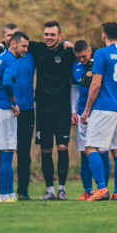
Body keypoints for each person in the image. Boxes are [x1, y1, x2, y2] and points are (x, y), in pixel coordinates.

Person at [80, 22, 117, 201]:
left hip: (104, 107)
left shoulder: (101, 54)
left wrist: (87, 110)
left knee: (90, 147)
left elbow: (96, 84)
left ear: (103, 35)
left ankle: (102, 189)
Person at [0, 23, 36, 201]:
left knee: (2, 151)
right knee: (6, 153)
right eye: (24, 46)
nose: (27, 49)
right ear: (13, 43)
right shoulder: (11, 60)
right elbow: (6, 82)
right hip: (4, 110)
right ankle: (4, 195)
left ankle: (10, 192)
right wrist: (13, 103)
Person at [29, 20, 76, 200]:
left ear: (60, 36)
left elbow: (89, 51)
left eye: (52, 35)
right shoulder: (37, 49)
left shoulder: (68, 52)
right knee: (45, 149)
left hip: (62, 107)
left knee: (62, 146)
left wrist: (71, 45)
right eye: (46, 34)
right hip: (42, 107)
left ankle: (62, 189)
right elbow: (16, 41)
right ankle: (50, 190)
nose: (49, 37)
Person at [71, 40, 111, 201]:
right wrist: (74, 111)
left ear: (90, 50)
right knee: (83, 152)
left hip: (99, 113)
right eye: (78, 57)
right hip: (82, 115)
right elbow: (74, 88)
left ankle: (103, 188)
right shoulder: (75, 66)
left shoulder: (101, 61)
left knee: (102, 152)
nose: (81, 60)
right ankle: (88, 190)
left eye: (83, 56)